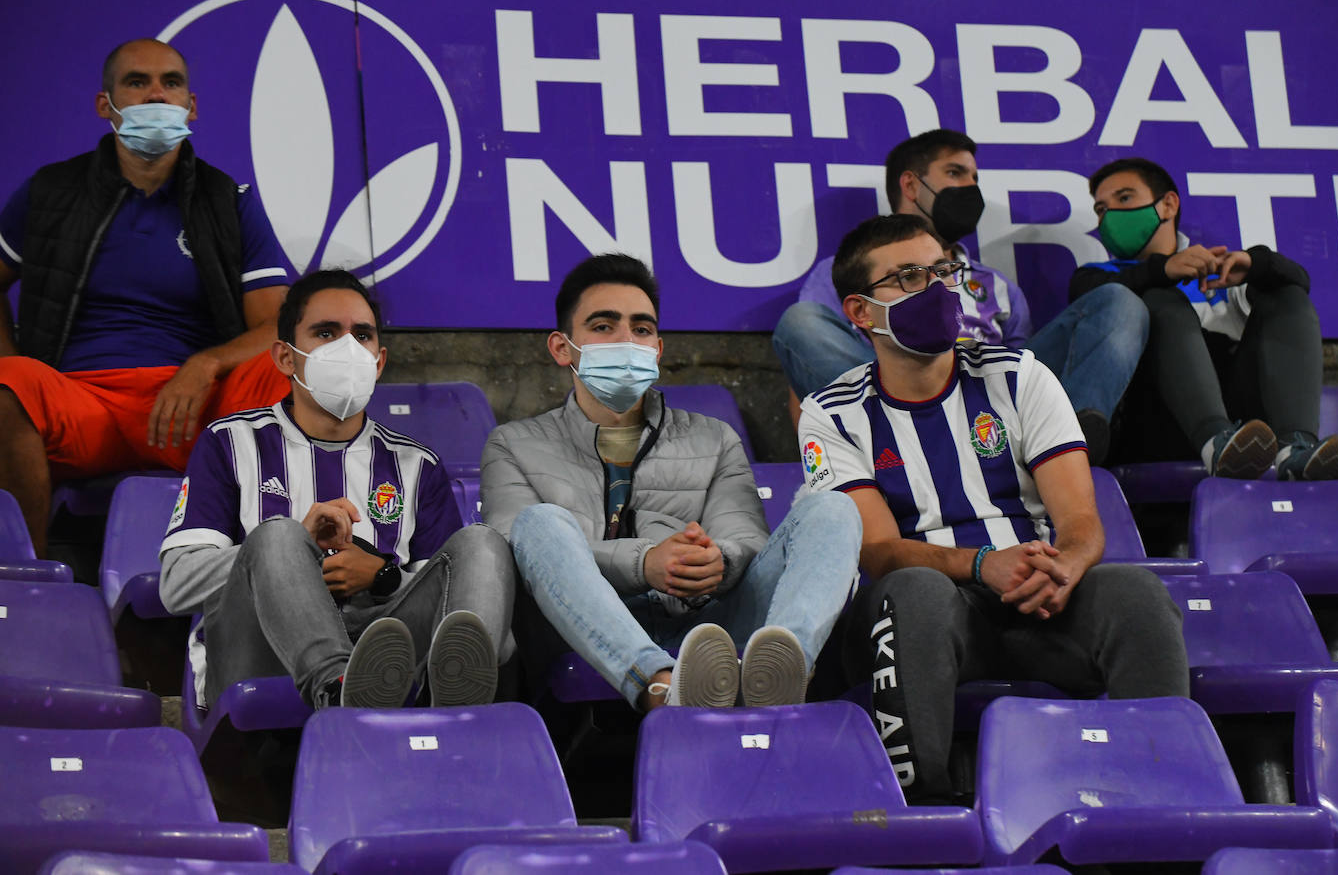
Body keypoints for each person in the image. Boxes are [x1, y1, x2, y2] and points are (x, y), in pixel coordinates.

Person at [800, 213, 1188, 801]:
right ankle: (922, 815)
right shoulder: (831, 413)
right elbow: (878, 552)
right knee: (913, 592)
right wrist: (983, 564)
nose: (936, 288)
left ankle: (1168, 801)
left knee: (1134, 592)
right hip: (925, 618)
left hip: (1036, 602)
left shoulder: (1020, 376)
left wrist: (1066, 565)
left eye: (942, 271)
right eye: (909, 277)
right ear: (860, 312)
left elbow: (1081, 521)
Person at [481, 253, 862, 710]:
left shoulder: (714, 438)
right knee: (538, 523)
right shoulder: (513, 444)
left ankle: (780, 672)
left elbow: (747, 542)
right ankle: (660, 687)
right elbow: (518, 550)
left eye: (641, 329)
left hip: (708, 626)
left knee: (833, 507)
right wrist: (645, 564)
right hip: (577, 627)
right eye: (603, 326)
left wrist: (715, 559)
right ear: (562, 348)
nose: (627, 340)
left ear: (658, 350)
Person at [159, 270, 515, 711]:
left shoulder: (417, 465)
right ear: (285, 358)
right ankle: (335, 686)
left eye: (361, 335)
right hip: (258, 659)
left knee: (482, 542)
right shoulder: (230, 443)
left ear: (379, 361)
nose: (347, 349)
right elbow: (176, 585)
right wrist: (292, 554)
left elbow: (445, 595)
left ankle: (459, 700)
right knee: (279, 535)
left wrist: (383, 577)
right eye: (325, 333)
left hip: (387, 664)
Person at [0, 38, 292, 556]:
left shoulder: (229, 202)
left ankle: (269, 561)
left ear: (191, 106)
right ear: (105, 104)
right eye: (137, 82)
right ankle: (30, 578)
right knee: (6, 386)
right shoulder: (49, 193)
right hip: (82, 407)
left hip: (193, 410)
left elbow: (277, 327)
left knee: (293, 365)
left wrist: (206, 364)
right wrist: (12, 369)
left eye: (170, 83)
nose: (156, 95)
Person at [773, 129, 1148, 464]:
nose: (971, 188)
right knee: (800, 323)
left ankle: (1069, 444)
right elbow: (803, 373)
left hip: (994, 415)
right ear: (911, 186)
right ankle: (906, 437)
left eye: (975, 178)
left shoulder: (999, 286)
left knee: (1117, 301)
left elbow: (1024, 368)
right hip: (899, 412)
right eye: (955, 173)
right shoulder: (843, 274)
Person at [1079, 157, 1338, 480]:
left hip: (1246, 433)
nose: (1110, 216)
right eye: (1101, 209)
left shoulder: (1220, 273)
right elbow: (1085, 294)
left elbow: (1297, 282)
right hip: (1151, 426)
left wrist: (1256, 264)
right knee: (1158, 298)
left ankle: (1295, 449)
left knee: (1286, 294)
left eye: (1124, 198)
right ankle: (1215, 443)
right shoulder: (1098, 278)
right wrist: (1164, 270)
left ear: (1168, 205)